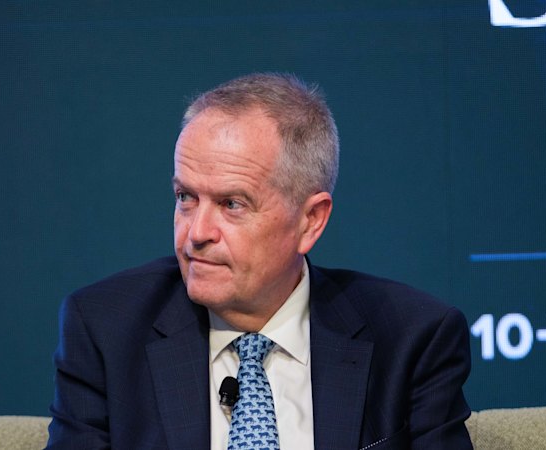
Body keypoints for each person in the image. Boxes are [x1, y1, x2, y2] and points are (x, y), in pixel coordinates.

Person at [46, 73, 473, 449]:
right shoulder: (106, 331)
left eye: (232, 204)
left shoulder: (412, 340)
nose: (196, 233)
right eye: (186, 197)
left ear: (310, 220)